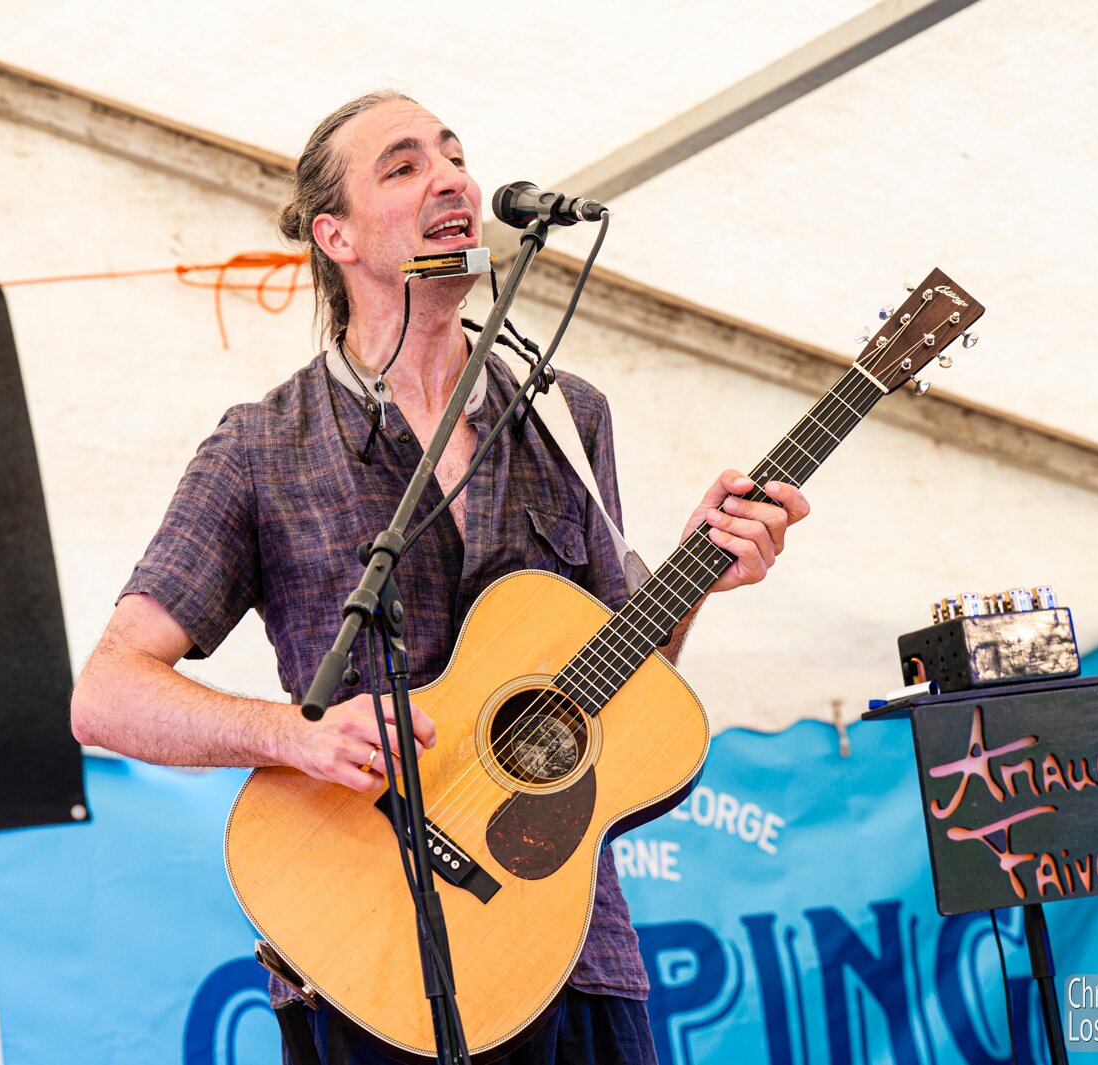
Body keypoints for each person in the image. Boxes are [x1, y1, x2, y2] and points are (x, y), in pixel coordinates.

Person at [69, 90, 810, 1064]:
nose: (452, 179)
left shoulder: (568, 415)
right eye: (405, 165)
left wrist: (696, 580)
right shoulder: (260, 448)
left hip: (574, 952)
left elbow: (619, 694)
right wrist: (295, 736)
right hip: (365, 964)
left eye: (455, 156)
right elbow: (107, 694)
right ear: (334, 235)